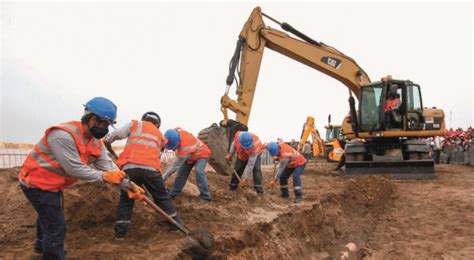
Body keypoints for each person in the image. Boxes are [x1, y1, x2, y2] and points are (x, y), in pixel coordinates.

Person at [18, 97, 141, 259]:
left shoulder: (95, 141)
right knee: (56, 227)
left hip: (53, 184)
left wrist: (128, 185)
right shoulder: (62, 135)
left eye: (107, 125)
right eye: (103, 124)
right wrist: (104, 177)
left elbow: (107, 165)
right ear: (92, 119)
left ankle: (41, 245)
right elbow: (75, 169)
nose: (105, 129)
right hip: (35, 183)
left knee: (48, 214)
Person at [103, 112, 184, 239]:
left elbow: (109, 138)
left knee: (126, 199)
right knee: (162, 197)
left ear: (144, 119)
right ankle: (176, 225)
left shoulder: (134, 124)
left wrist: (110, 148)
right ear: (157, 124)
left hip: (130, 168)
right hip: (151, 170)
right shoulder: (160, 135)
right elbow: (158, 153)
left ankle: (120, 234)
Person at [161, 128, 212, 202]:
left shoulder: (184, 148)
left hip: (202, 154)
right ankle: (172, 194)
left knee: (199, 171)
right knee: (181, 174)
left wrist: (162, 179)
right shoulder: (175, 132)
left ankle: (205, 196)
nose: (172, 149)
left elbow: (173, 167)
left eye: (173, 147)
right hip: (191, 156)